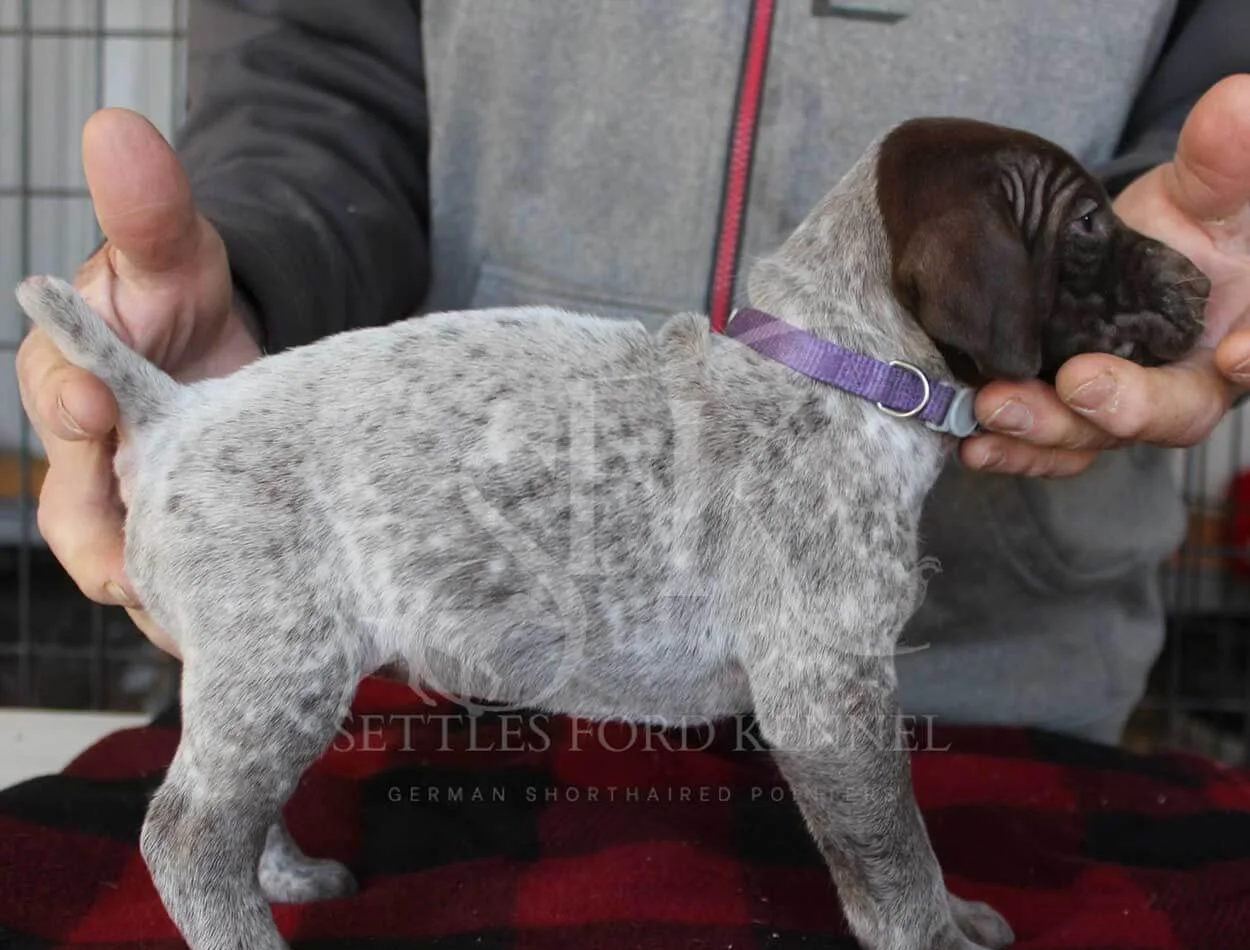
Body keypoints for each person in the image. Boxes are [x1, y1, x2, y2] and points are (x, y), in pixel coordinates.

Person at [15, 1, 1250, 743]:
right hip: (433, 661)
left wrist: (1150, 252)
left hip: (988, 683)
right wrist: (258, 277)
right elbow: (319, 70)